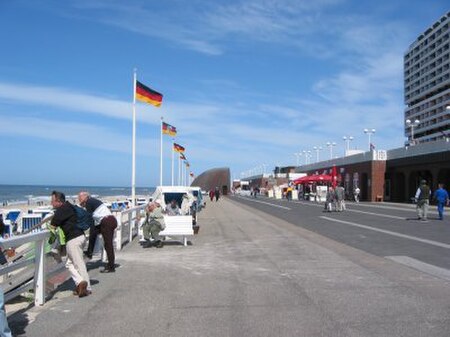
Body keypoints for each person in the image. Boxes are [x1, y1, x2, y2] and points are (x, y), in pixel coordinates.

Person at [50, 191, 91, 297]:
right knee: (69, 263)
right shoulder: (70, 207)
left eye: (52, 201)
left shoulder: (61, 210)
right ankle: (81, 284)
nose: (51, 203)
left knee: (78, 264)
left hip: (73, 240)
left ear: (58, 201)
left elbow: (53, 225)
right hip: (80, 237)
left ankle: (86, 287)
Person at [78, 191, 117, 273]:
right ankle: (90, 251)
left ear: (85, 197)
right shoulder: (92, 201)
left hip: (107, 222)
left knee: (108, 245)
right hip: (109, 221)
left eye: (80, 197)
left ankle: (111, 267)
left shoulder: (89, 202)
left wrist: (81, 226)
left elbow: (89, 217)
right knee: (94, 231)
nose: (79, 199)